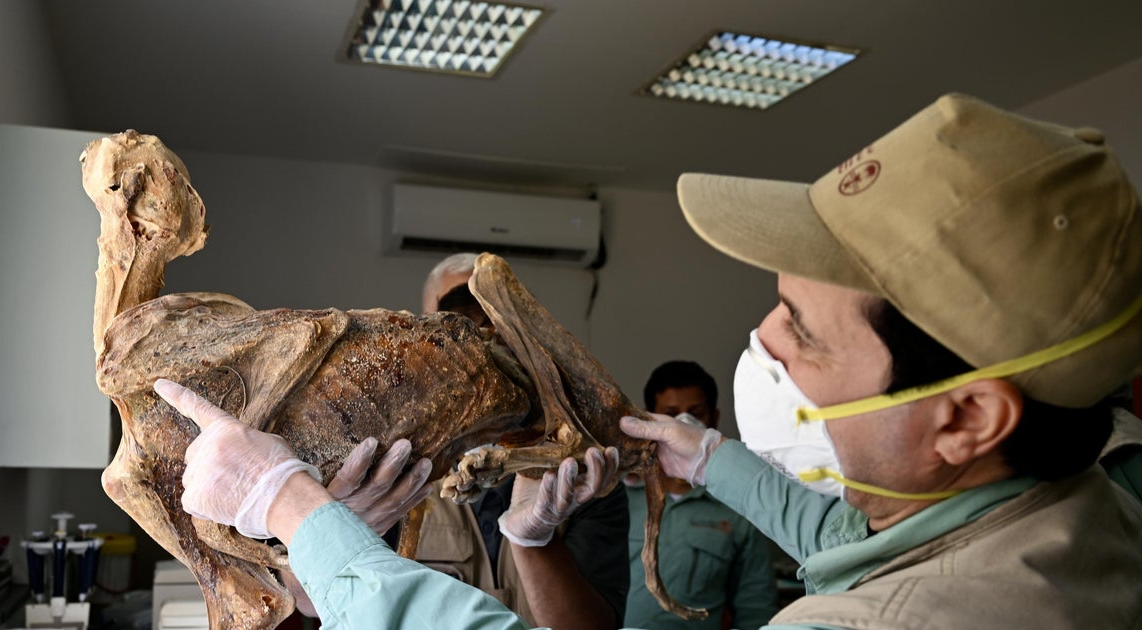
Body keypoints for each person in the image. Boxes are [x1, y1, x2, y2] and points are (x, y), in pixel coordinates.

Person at [160, 93, 1142, 629]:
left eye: (804, 329)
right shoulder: (1077, 509)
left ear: (966, 417)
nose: (764, 343)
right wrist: (709, 456)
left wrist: (294, 509)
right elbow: (852, 535)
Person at [412, 252, 630, 629]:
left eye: (493, 317)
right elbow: (322, 601)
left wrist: (532, 540)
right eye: (457, 320)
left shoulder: (586, 473)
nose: (480, 340)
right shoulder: (400, 467)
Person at [624, 361, 778, 630]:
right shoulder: (616, 498)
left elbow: (755, 607)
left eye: (695, 413)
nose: (683, 424)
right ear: (649, 421)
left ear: (714, 419)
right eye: (670, 414)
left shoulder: (738, 507)